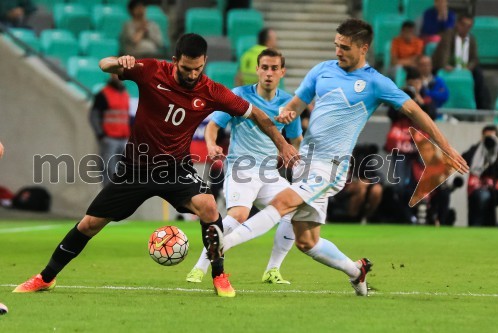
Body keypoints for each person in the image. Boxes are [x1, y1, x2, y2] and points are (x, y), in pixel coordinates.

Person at [13, 33, 298, 298]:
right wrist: (118, 60)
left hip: (174, 169)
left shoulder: (212, 91)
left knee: (209, 207)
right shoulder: (152, 70)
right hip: (135, 169)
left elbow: (257, 115)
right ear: (175, 61)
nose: (192, 74)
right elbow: (104, 65)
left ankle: (219, 275)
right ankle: (46, 277)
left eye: (197, 68)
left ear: (204, 63)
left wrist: (282, 144)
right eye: (187, 68)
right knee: (89, 224)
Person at [203, 18, 469, 296]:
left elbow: (416, 113)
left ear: (363, 48)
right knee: (307, 241)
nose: (338, 51)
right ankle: (357, 271)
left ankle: (223, 245)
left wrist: (446, 148)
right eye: (336, 45)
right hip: (306, 162)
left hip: (331, 166)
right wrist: (288, 112)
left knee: (282, 202)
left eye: (344, 47)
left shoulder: (376, 82)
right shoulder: (322, 70)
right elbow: (296, 103)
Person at [186, 48, 302, 284]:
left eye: (274, 68)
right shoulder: (239, 95)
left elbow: (296, 141)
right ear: (257, 70)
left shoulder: (289, 105)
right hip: (242, 169)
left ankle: (272, 270)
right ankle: (199, 267)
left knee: (295, 211)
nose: (269, 73)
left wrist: (294, 157)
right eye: (265, 67)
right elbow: (213, 126)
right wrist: (211, 145)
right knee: (238, 215)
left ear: (282, 72)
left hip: (269, 173)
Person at [385, 66, 437, 223]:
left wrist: (418, 102)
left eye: (418, 82)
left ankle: (419, 216)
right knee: (399, 185)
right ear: (407, 82)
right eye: (412, 82)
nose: (415, 85)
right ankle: (406, 217)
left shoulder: (425, 99)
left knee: (420, 184)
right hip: (401, 146)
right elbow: (391, 114)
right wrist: (404, 102)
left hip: (420, 148)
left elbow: (431, 115)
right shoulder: (399, 98)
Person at [432, 13, 491, 110]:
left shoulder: (471, 38)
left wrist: (469, 67)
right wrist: (446, 65)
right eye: (463, 25)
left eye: (469, 26)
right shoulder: (448, 35)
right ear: (457, 24)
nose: (466, 28)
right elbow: (444, 52)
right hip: (447, 66)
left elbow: (475, 58)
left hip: (465, 68)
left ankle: (481, 108)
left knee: (479, 74)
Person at [89, 74, 131, 186]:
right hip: (110, 139)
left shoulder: (125, 94)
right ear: (112, 75)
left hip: (124, 139)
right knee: (109, 169)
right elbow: (94, 116)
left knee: (123, 169)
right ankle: (107, 195)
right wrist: (101, 135)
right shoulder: (103, 94)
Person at [462, 125, 498, 227]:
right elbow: (464, 160)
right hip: (480, 188)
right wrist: (480, 147)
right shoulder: (476, 150)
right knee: (483, 196)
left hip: (497, 188)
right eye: (486, 137)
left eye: (492, 137)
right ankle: (476, 227)